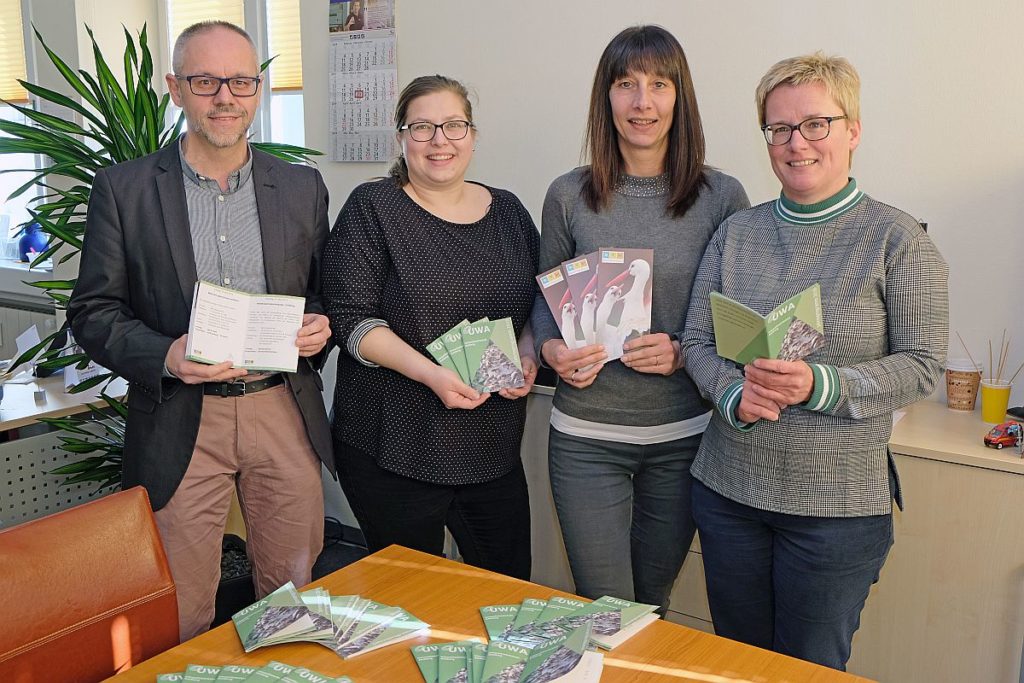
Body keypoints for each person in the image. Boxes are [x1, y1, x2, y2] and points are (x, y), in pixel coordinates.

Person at [67, 21, 334, 641]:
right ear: (176, 88)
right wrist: (166, 354)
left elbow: (322, 294)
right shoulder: (125, 190)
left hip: (280, 410)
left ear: (258, 89)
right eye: (206, 80)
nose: (225, 96)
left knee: (294, 598)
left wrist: (320, 327)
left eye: (240, 81)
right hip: (181, 416)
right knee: (182, 606)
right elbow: (92, 312)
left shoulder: (300, 187)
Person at [682, 53, 948, 670]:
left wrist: (820, 383)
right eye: (779, 129)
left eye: (816, 124)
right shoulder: (736, 233)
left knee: (808, 667)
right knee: (740, 663)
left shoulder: (899, 239)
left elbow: (924, 364)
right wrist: (733, 396)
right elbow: (695, 342)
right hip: (729, 496)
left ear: (853, 130)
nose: (796, 143)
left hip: (834, 512)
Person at [530, 25, 749, 612]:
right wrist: (551, 353)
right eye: (625, 84)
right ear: (606, 98)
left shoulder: (722, 196)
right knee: (603, 608)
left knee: (651, 604)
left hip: (684, 436)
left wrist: (683, 351)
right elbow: (544, 300)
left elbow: (738, 321)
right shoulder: (567, 194)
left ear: (681, 97)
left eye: (658, 84)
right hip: (585, 437)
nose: (642, 102)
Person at [323, 75, 539, 580]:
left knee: (507, 591)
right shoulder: (372, 207)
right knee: (413, 598)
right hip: (394, 446)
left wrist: (527, 356)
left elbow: (535, 308)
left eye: (453, 125)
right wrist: (432, 374)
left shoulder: (508, 211)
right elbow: (352, 321)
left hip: (492, 447)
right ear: (401, 138)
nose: (439, 140)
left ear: (473, 134)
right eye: (422, 128)